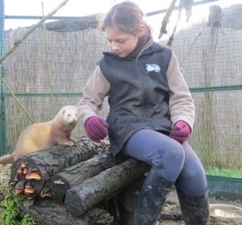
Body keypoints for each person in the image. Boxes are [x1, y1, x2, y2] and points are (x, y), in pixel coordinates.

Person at [77, 1, 209, 225]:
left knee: (195, 175)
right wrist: (89, 118)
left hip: (163, 129)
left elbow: (181, 98)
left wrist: (184, 122)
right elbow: (88, 100)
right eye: (109, 40)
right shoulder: (107, 65)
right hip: (128, 129)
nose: (114, 46)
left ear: (139, 30)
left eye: (120, 40)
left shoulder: (164, 57)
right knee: (171, 154)